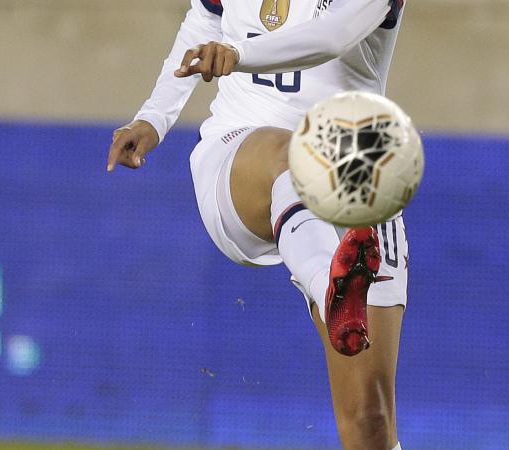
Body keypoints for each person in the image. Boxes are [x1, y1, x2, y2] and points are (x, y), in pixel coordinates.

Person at [106, 1, 408, 448]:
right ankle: (334, 286)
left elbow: (333, 37)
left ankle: (338, 287)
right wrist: (154, 116)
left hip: (353, 177)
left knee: (370, 419)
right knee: (291, 153)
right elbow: (206, 15)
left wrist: (239, 54)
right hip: (239, 156)